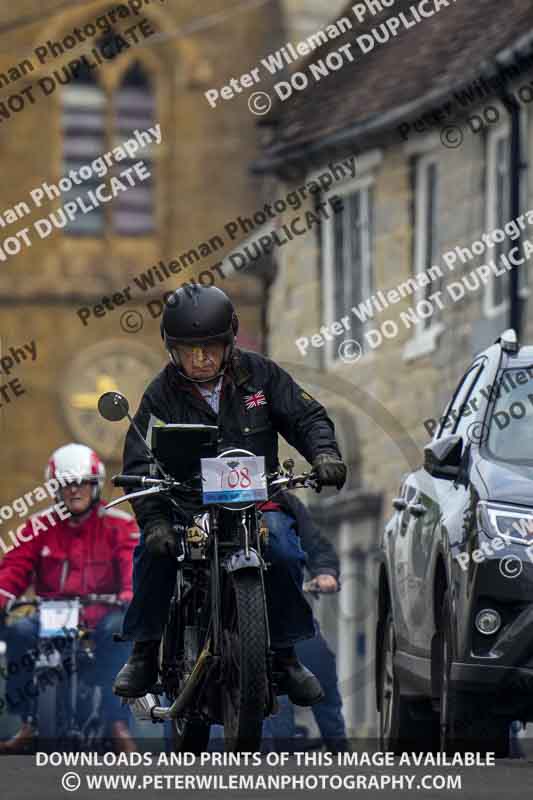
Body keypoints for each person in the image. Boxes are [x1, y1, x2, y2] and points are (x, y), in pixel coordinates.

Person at [113, 285, 347, 707]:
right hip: (188, 506)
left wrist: (326, 454)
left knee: (284, 549)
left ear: (229, 343)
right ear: (172, 349)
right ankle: (144, 652)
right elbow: (138, 460)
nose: (200, 360)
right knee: (153, 552)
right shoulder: (160, 393)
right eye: (189, 350)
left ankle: (286, 655)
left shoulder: (263, 375)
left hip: (255, 503)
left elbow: (306, 417)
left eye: (210, 348)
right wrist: (156, 521)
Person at [0, 444, 139, 754]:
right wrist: (2, 597)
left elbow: (132, 565)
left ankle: (117, 723)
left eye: (82, 483)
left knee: (119, 634)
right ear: (56, 489)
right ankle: (27, 724)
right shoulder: (36, 527)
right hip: (48, 612)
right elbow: (14, 568)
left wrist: (129, 596)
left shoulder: (120, 524)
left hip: (102, 614)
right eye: (67, 484)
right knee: (19, 632)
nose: (74, 491)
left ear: (95, 485)